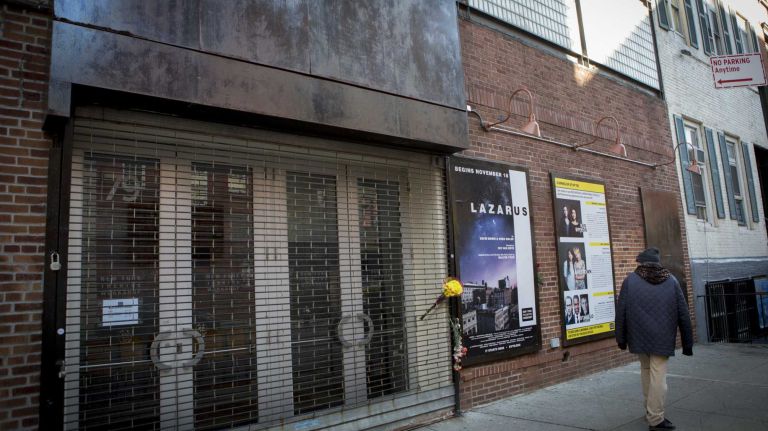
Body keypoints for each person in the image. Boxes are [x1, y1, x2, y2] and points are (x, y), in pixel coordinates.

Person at [615, 247, 693, 431]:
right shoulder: (671, 280)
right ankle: (656, 419)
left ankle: (650, 411)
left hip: (639, 336)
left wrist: (621, 338)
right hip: (662, 337)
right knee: (658, 375)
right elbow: (683, 313)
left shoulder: (630, 281)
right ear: (658, 263)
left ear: (641, 262)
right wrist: (687, 343)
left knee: (646, 370)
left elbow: (621, 312)